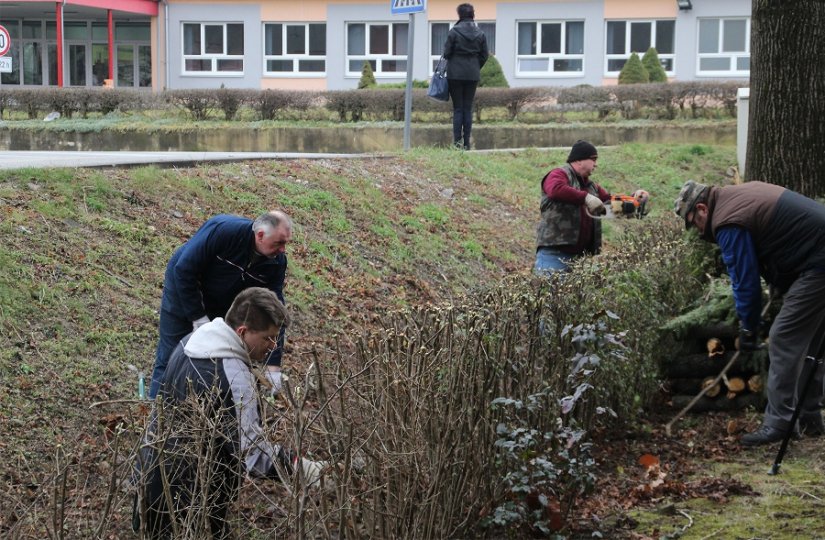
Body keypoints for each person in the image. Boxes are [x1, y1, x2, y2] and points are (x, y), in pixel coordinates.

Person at [133, 287, 326, 539]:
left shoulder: (192, 341)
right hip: (192, 494)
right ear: (243, 332)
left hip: (152, 473)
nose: (274, 346)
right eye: (268, 337)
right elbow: (252, 454)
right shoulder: (233, 377)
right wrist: (299, 467)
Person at [674, 180, 825, 446]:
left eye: (693, 222)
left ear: (701, 208)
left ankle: (779, 425)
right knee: (810, 339)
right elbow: (780, 240)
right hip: (815, 258)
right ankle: (809, 416)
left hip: (819, 264)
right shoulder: (738, 197)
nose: (697, 231)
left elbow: (745, 280)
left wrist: (748, 325)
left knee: (784, 338)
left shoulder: (727, 220)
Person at [148, 210, 292, 399]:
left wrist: (273, 367)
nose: (283, 250)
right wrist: (198, 318)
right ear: (260, 235)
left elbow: (275, 312)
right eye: (279, 243)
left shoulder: (275, 263)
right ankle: (156, 413)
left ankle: (196, 414)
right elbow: (183, 269)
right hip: (184, 290)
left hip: (222, 303)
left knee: (212, 360)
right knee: (172, 352)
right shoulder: (224, 231)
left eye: (285, 243)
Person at [534, 140, 612, 274]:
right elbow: (556, 189)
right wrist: (585, 198)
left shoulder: (592, 186)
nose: (596, 164)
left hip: (581, 259)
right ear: (579, 160)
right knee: (550, 293)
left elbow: (609, 203)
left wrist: (634, 200)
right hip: (554, 255)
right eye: (593, 159)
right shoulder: (558, 174)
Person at [442, 3, 489, 150]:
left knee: (458, 109)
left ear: (459, 15)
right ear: (473, 14)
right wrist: (475, 66)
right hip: (472, 74)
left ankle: (457, 143)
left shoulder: (453, 32)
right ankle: (467, 143)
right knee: (467, 108)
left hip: (455, 74)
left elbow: (446, 53)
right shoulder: (480, 33)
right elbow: (484, 55)